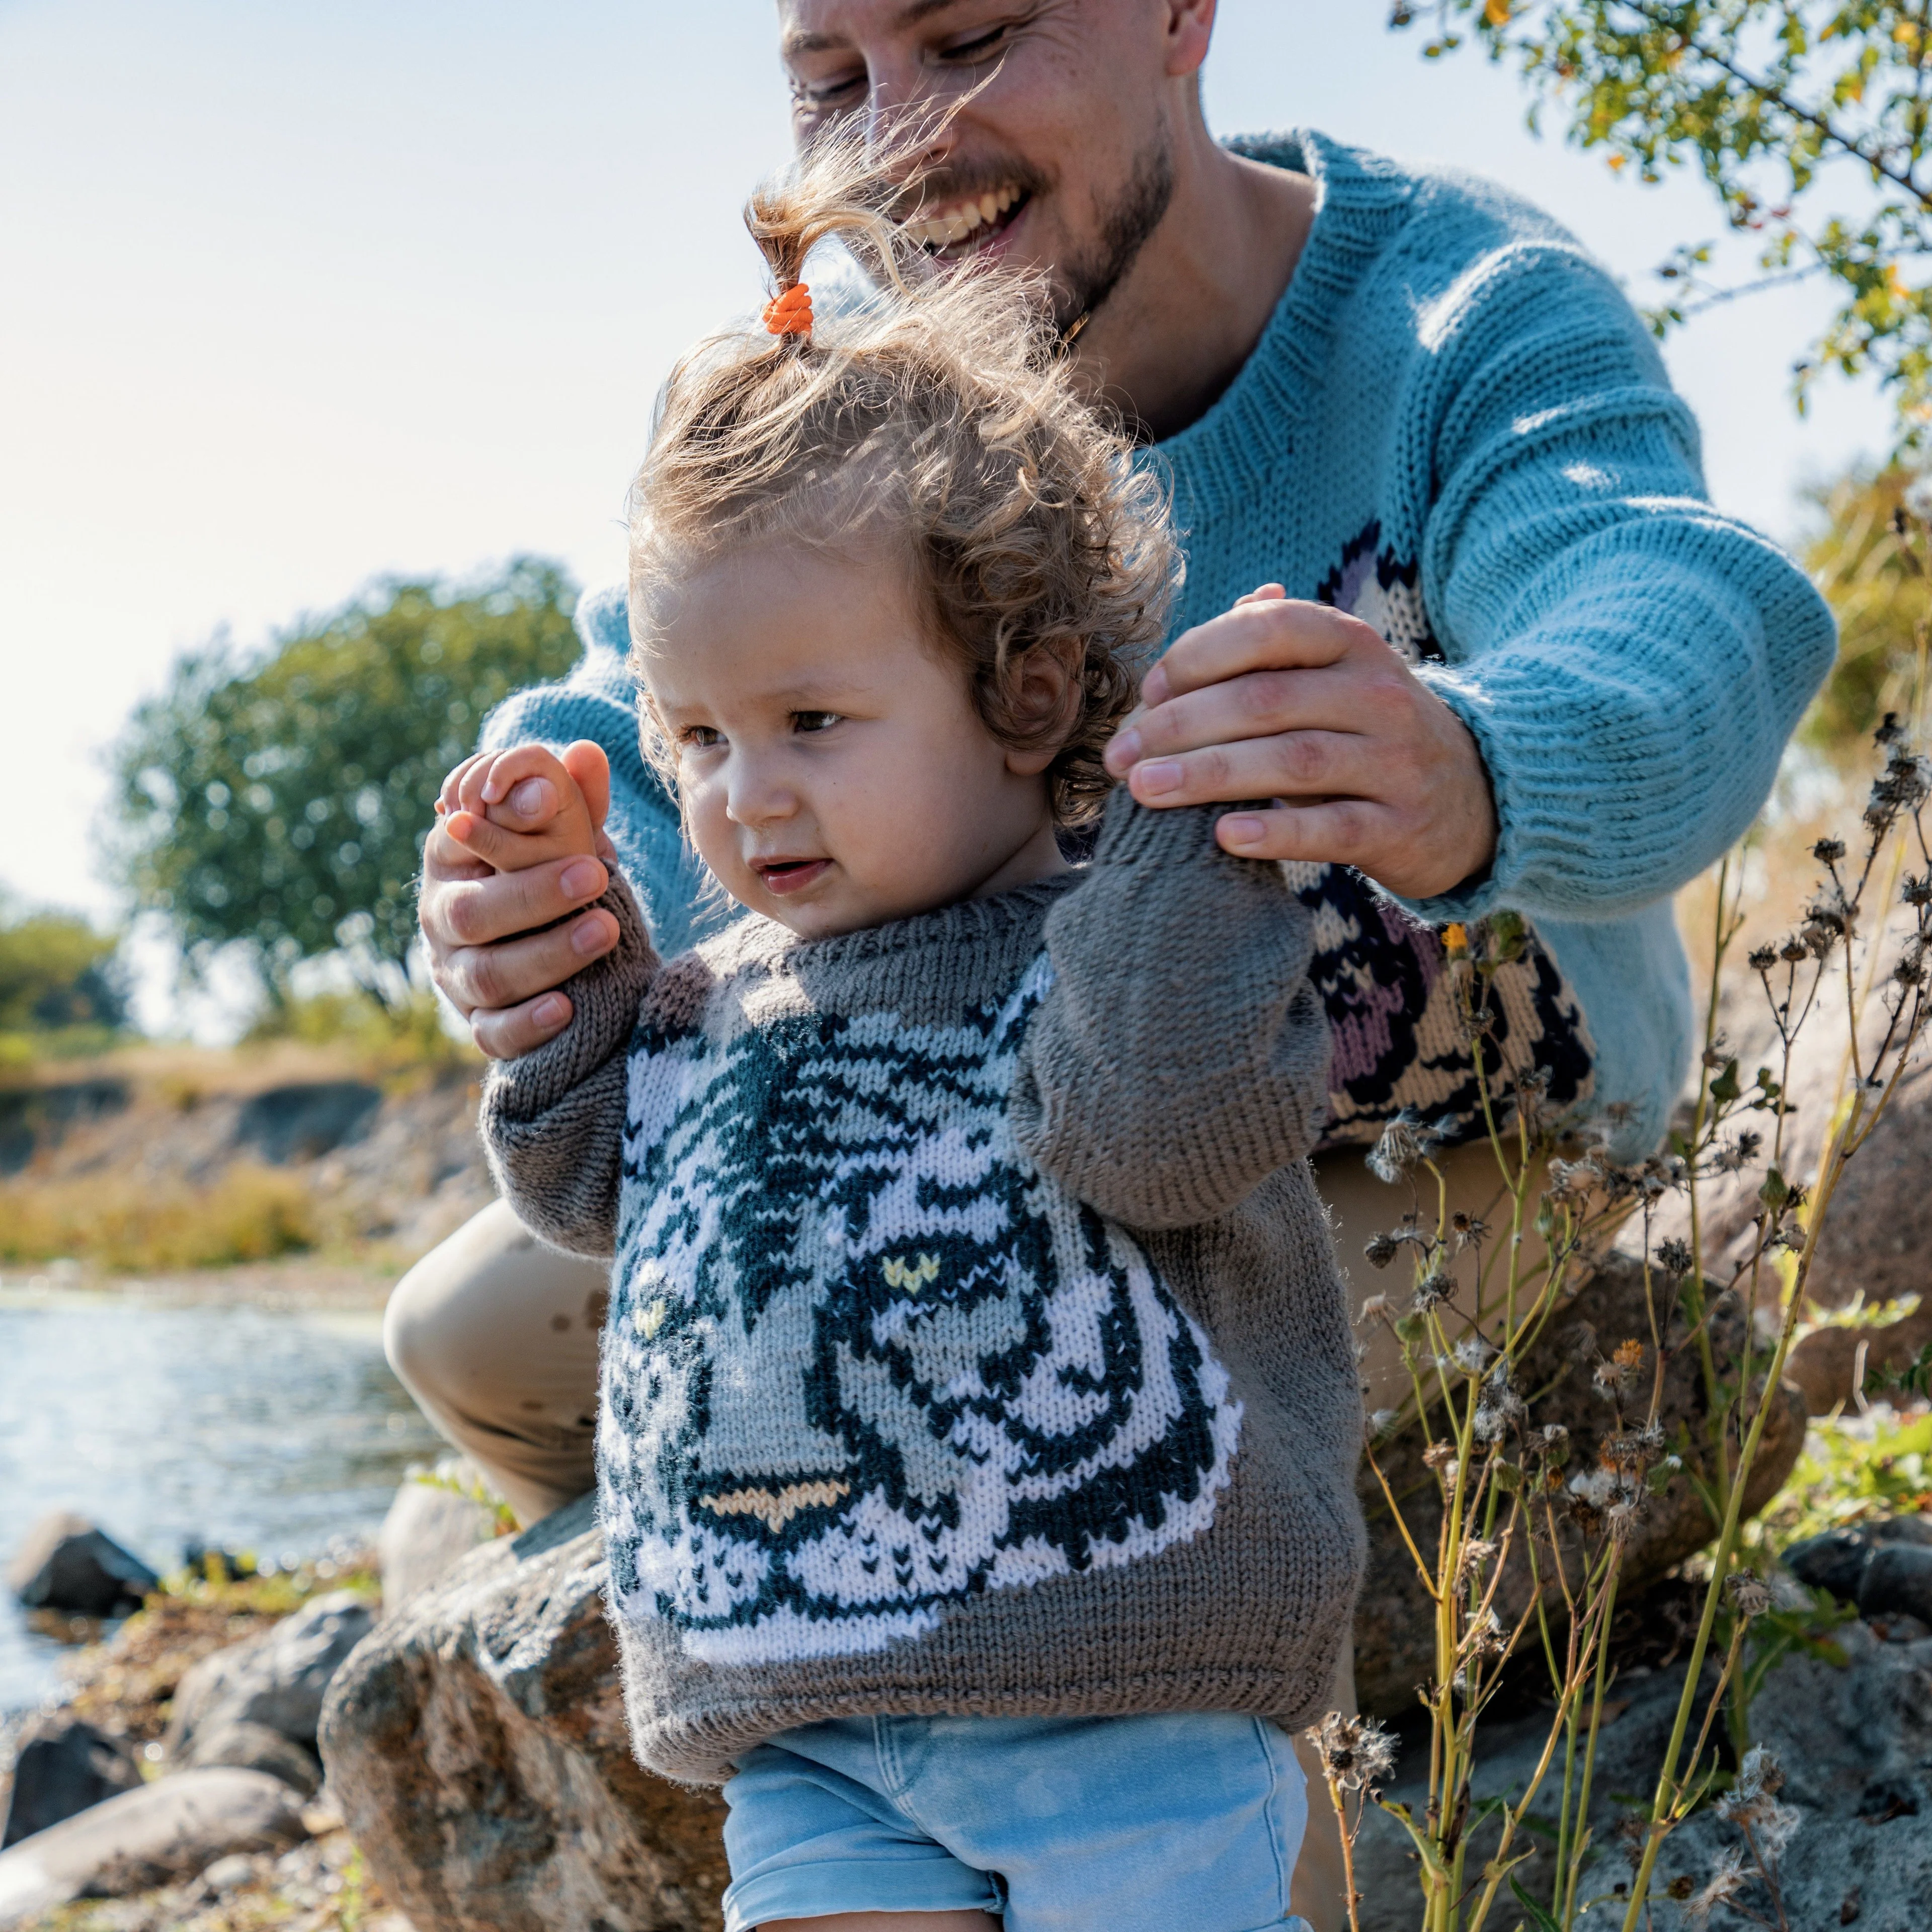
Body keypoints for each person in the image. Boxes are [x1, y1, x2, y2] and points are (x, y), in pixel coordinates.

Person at [398, 4, 1838, 1923]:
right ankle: (827, 1723)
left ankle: (1224, 1812)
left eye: (973, 32)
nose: (897, 137)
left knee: (1103, 1486)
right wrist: (524, 896)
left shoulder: (1452, 311)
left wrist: (1471, 757)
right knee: (468, 1330)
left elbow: (1681, 606)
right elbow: (635, 720)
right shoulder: (845, 402)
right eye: (830, 76)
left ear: (1181, 14)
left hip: (1422, 1137)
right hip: (948, 1096)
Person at [446, 147, 1360, 1932]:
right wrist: (566, 948)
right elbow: (581, 1184)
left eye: (808, 720)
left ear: (1030, 692)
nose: (741, 795)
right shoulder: (723, 995)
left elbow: (1158, 1130)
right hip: (812, 1746)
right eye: (696, 736)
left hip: (1131, 1714)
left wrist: (1188, 812)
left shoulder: (1103, 948)